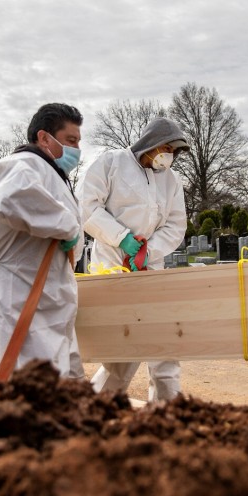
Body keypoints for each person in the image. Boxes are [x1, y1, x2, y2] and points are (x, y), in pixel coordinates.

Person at [0, 103, 86, 379]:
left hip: (43, 292)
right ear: (44, 137)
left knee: (62, 379)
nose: (77, 149)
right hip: (15, 290)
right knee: (28, 380)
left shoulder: (52, 173)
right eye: (71, 140)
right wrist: (68, 228)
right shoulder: (20, 164)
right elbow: (13, 199)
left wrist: (72, 235)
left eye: (78, 142)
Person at [81, 117, 189, 401]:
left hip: (151, 268)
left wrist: (147, 252)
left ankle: (166, 410)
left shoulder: (171, 180)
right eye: (166, 148)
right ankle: (96, 407)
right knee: (123, 348)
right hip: (112, 266)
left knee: (163, 344)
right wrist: (123, 239)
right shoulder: (111, 163)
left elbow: (176, 224)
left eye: (174, 152)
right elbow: (87, 207)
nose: (169, 156)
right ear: (151, 143)